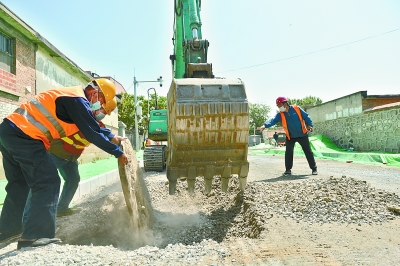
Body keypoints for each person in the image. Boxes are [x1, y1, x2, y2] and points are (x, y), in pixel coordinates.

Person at [0, 78, 129, 249]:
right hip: (26, 136)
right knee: (48, 182)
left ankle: (7, 230)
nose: (100, 106)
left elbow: (94, 125)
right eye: (103, 102)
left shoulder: (73, 98)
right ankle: (35, 236)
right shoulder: (78, 100)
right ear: (95, 93)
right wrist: (117, 153)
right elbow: (92, 132)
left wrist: (112, 136)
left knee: (19, 184)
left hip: (9, 131)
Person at [22, 98, 125, 220]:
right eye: (103, 110)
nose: (103, 114)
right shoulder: (79, 115)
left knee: (73, 179)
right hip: (55, 153)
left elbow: (101, 130)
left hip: (70, 157)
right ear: (97, 105)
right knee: (41, 182)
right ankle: (27, 219)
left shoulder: (96, 123)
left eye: (106, 112)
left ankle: (61, 209)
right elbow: (96, 134)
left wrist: (115, 138)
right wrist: (116, 149)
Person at [259, 96, 317, 176]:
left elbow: (306, 116)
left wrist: (309, 125)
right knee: (288, 153)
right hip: (290, 136)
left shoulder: (297, 109)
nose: (279, 107)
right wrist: (265, 125)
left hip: (302, 134)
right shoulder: (280, 115)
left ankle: (314, 169)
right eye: (278, 106)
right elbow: (273, 120)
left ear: (285, 104)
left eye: (280, 105)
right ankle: (288, 170)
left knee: (308, 151)